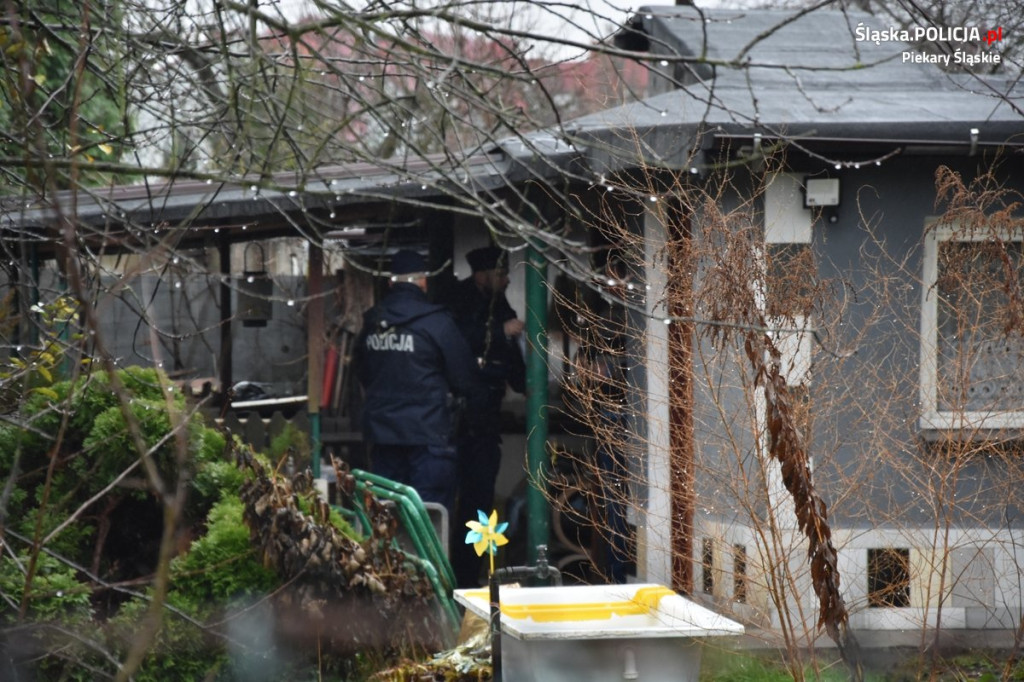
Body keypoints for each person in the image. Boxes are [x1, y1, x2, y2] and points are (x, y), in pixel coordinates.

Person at [353, 249, 482, 516]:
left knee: (386, 516)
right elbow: (465, 378)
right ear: (423, 281)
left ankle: (392, 559)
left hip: (383, 435)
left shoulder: (372, 323)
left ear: (391, 283)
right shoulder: (437, 324)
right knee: (428, 517)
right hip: (429, 437)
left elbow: (362, 371)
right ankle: (427, 560)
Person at [444, 245, 526, 587]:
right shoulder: (457, 302)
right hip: (457, 424)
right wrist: (501, 332)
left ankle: (471, 574)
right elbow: (459, 341)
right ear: (482, 274)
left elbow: (511, 356)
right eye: (501, 274)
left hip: (486, 419)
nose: (507, 280)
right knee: (450, 502)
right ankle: (452, 575)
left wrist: (523, 381)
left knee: (478, 504)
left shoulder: (499, 303)